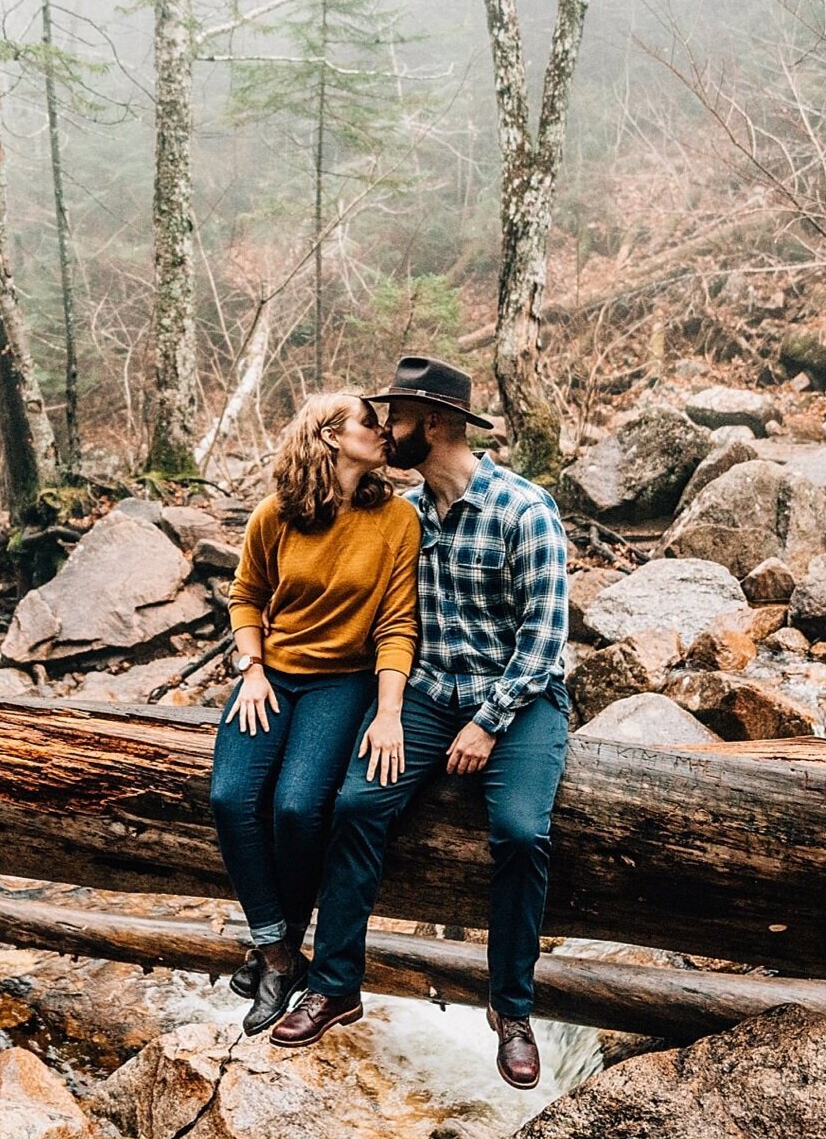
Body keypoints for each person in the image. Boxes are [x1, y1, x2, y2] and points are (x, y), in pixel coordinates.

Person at [270, 356, 571, 1090]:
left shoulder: (523, 510)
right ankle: (334, 984)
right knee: (355, 805)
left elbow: (545, 638)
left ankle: (513, 1008)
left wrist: (489, 724)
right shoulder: (405, 515)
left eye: (395, 418)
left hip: (520, 700)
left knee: (521, 833)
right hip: (429, 697)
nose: (384, 429)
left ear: (432, 424)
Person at [212, 392, 422, 1035]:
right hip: (271, 676)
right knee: (229, 796)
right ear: (329, 437)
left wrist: (389, 712)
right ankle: (277, 953)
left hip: (345, 683)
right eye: (368, 422)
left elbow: (396, 624)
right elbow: (246, 597)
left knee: (300, 807)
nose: (383, 431)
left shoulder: (396, 520)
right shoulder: (275, 516)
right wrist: (250, 669)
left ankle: (273, 954)